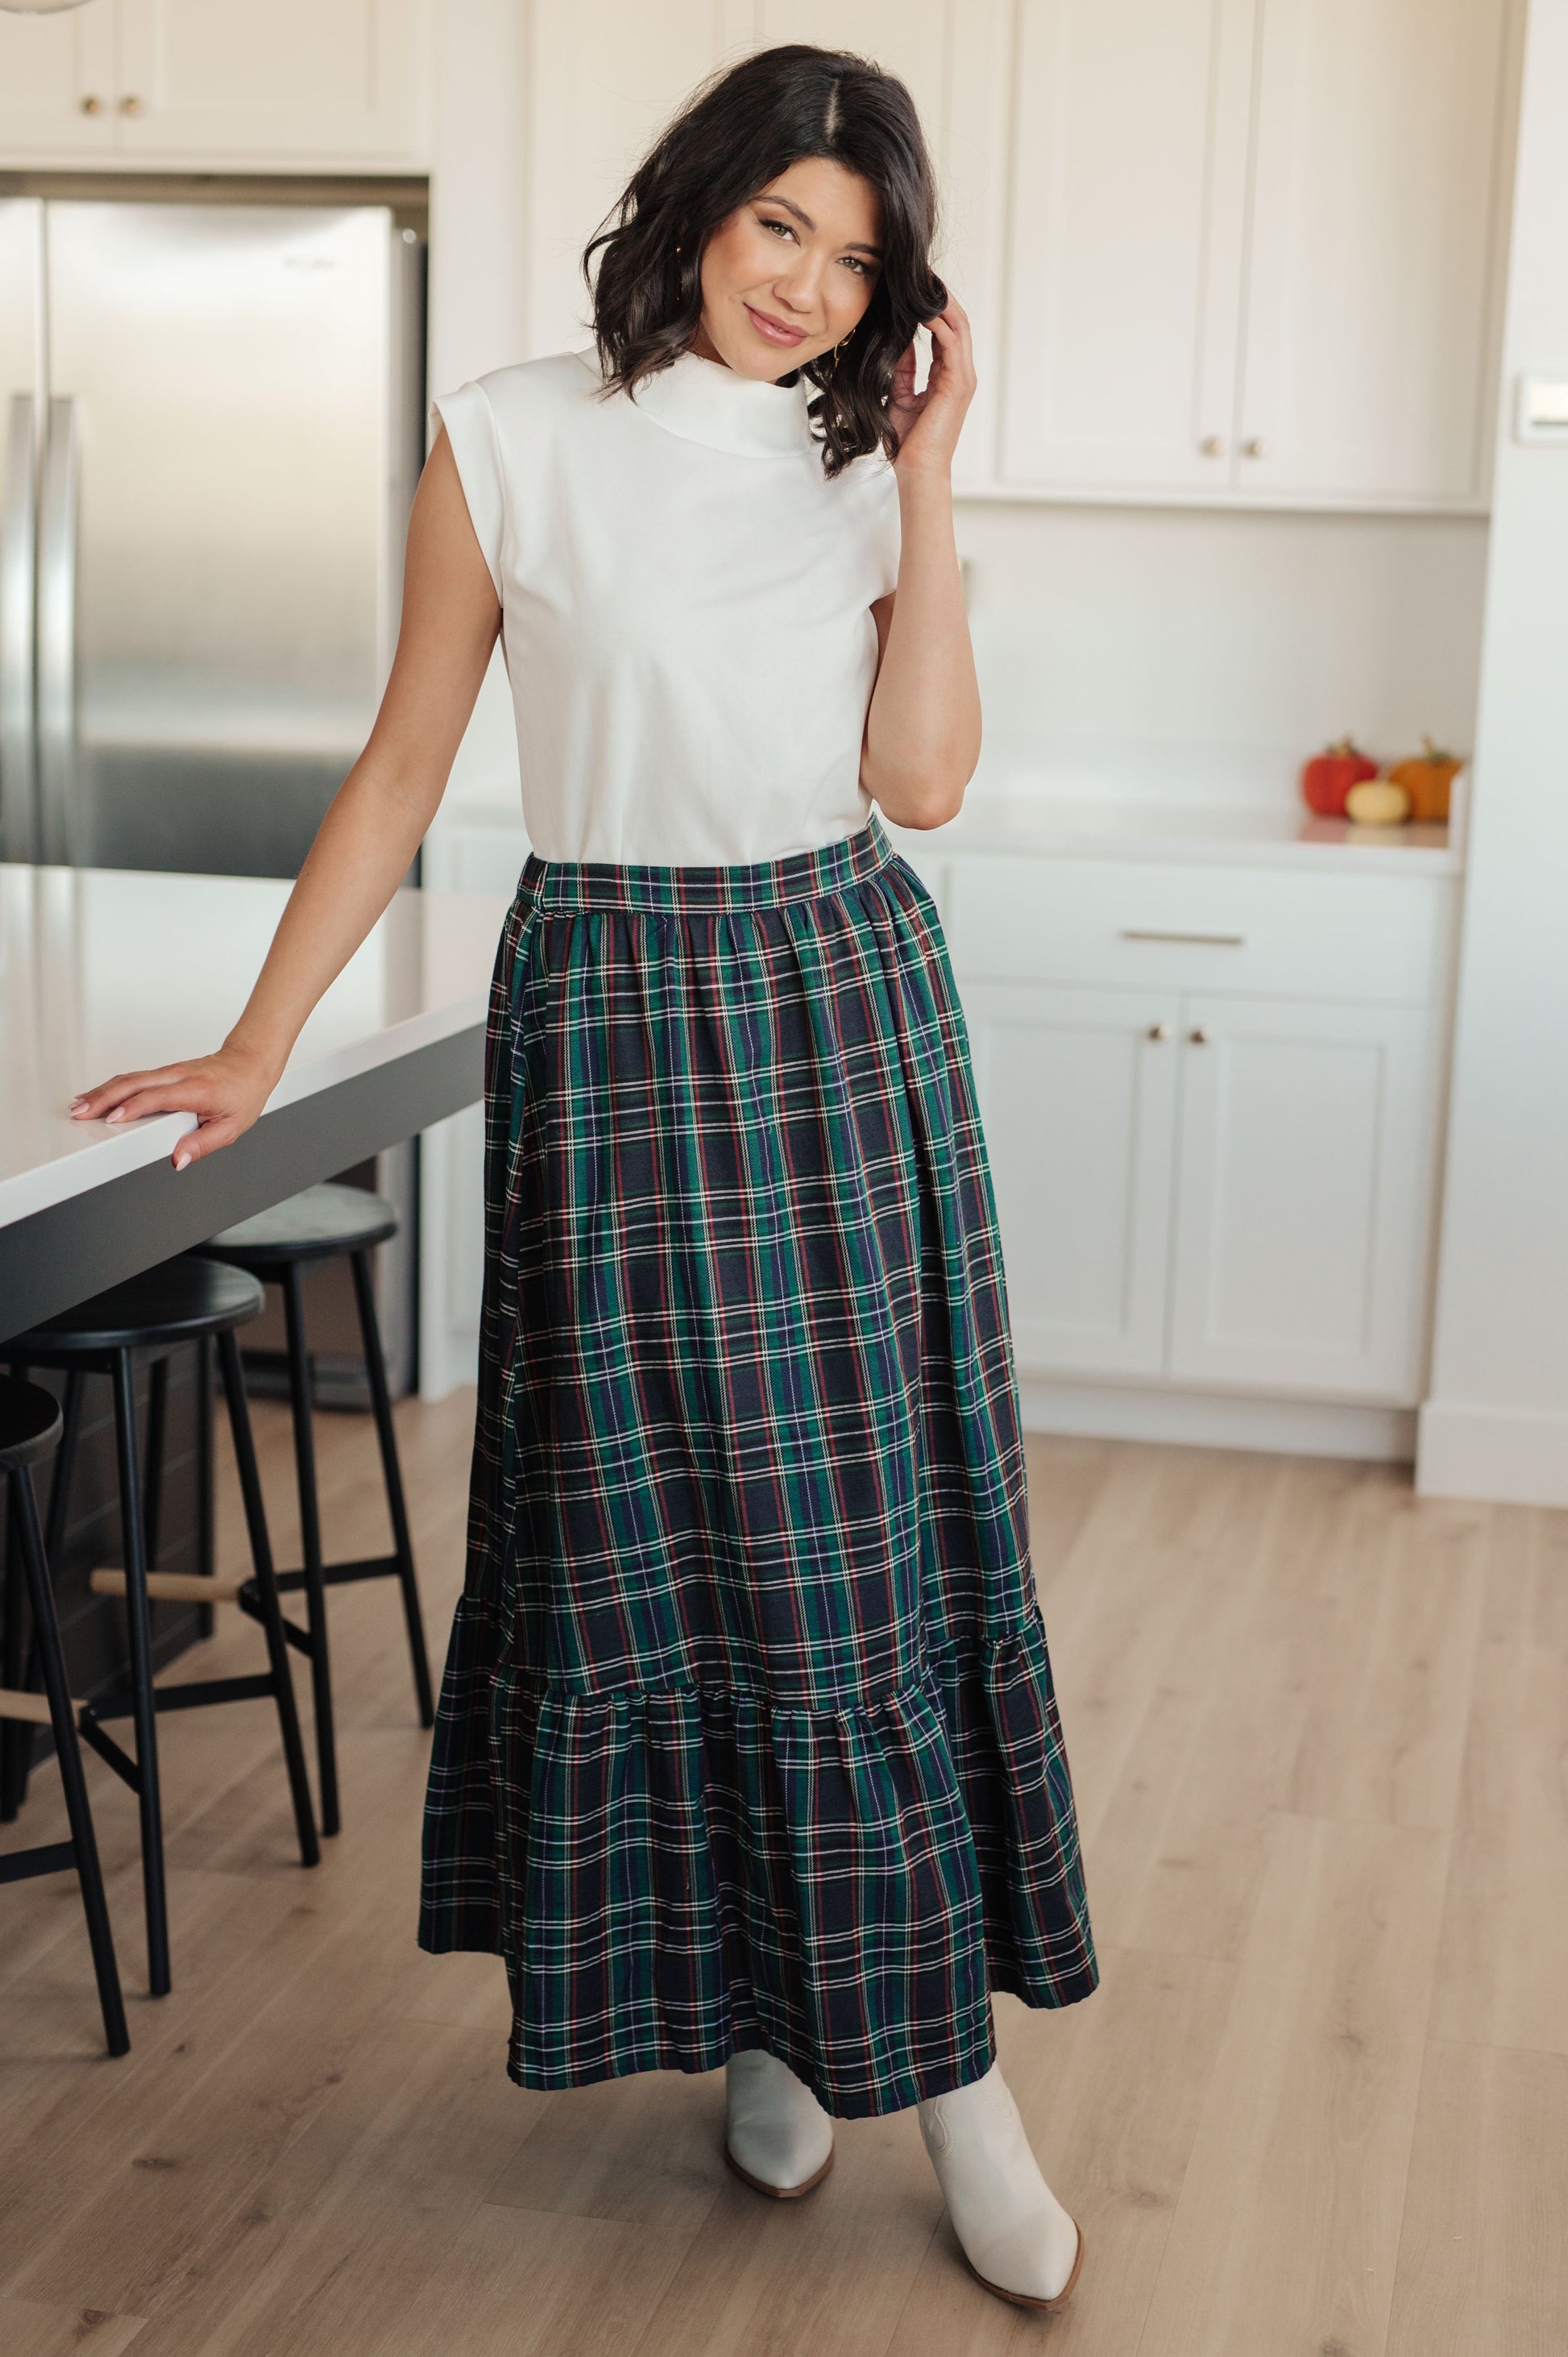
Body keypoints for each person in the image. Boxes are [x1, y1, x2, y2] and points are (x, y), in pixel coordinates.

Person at [70, 43, 1097, 2313]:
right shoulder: (514, 437)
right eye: (777, 234)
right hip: (614, 1005)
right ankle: (765, 2018)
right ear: (699, 211)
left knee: (868, 1554)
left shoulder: (863, 478)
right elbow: (406, 755)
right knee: (671, 1549)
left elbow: (917, 779)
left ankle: (950, 2080)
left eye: (854, 258)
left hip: (833, 992)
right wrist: (260, 1039)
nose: (809, 290)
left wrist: (927, 485)